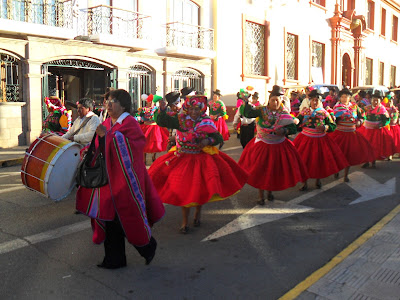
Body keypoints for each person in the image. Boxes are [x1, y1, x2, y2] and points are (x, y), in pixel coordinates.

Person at [76, 89, 165, 269]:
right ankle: (115, 259)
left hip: (126, 181)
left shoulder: (130, 123)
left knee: (126, 218)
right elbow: (100, 144)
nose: (108, 104)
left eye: (113, 101)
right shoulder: (107, 122)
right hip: (108, 180)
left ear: (123, 105)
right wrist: (91, 149)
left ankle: (147, 247)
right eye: (107, 100)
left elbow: (134, 147)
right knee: (110, 219)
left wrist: (106, 137)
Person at [149, 95, 248, 234]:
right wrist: (163, 108)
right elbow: (162, 120)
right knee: (184, 191)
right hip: (182, 157)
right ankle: (184, 222)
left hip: (200, 158)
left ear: (202, 110)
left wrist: (207, 142)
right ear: (187, 109)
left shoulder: (206, 122)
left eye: (197, 109)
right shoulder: (181, 119)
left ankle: (197, 214)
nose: (194, 112)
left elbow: (217, 137)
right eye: (191, 109)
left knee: (199, 189)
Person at [238, 85, 308, 203]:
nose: (275, 102)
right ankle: (261, 196)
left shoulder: (284, 113)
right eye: (273, 99)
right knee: (261, 170)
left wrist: (284, 131)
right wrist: (246, 102)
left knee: (273, 171)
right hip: (262, 145)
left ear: (281, 100)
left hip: (278, 145)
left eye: (278, 99)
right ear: (269, 100)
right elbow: (249, 113)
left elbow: (292, 128)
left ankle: (269, 191)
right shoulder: (262, 110)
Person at [293, 90, 349, 190]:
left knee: (318, 161)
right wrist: (296, 121)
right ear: (309, 101)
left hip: (320, 139)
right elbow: (299, 120)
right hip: (305, 139)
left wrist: (325, 127)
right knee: (303, 161)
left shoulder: (325, 113)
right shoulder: (305, 111)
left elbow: (333, 126)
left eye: (317, 101)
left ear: (320, 102)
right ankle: (304, 183)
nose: (315, 102)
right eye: (313, 100)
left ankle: (318, 180)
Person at [329, 88, 375, 181]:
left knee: (349, 155)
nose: (344, 98)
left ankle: (346, 175)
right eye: (342, 97)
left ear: (350, 98)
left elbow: (362, 116)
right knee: (337, 154)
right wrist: (333, 119)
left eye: (346, 97)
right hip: (340, 134)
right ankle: (337, 170)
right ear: (340, 98)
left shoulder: (354, 107)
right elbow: (332, 120)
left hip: (351, 134)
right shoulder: (337, 108)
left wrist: (360, 121)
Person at [358, 90, 396, 168]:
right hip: (367, 129)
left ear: (380, 101)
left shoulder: (382, 110)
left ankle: (373, 161)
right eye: (373, 100)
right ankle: (366, 161)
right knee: (365, 145)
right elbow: (360, 113)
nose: (375, 102)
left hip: (376, 131)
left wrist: (380, 124)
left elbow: (387, 120)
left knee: (374, 146)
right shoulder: (367, 107)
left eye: (377, 100)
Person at [139, 94, 170, 163]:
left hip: (155, 127)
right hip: (146, 126)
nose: (150, 103)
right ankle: (144, 158)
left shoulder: (156, 109)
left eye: (152, 101)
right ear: (147, 101)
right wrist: (141, 117)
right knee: (144, 142)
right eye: (149, 101)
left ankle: (154, 156)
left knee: (156, 141)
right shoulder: (143, 109)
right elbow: (141, 118)